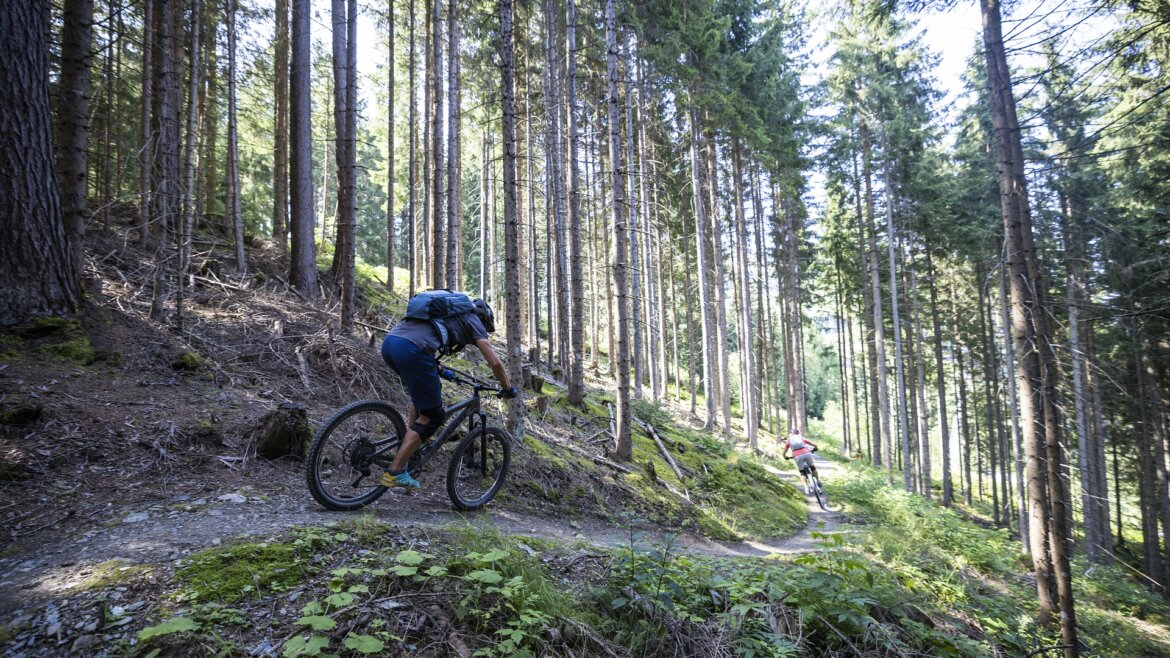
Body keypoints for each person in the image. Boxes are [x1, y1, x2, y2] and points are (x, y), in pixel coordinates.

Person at [379, 293, 517, 489]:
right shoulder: (472, 319)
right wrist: (508, 388)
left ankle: (410, 450)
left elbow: (420, 342)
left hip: (391, 343)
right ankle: (394, 471)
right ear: (483, 318)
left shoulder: (445, 317)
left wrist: (443, 371)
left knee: (420, 400)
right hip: (412, 351)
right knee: (433, 416)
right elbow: (494, 361)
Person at [781, 427, 820, 495]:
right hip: (807, 453)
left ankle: (806, 488)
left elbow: (784, 452)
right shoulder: (801, 437)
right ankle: (817, 482)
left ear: (791, 434)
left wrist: (785, 457)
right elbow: (814, 444)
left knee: (802, 472)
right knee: (812, 467)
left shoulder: (789, 440)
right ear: (797, 433)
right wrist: (815, 448)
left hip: (797, 456)